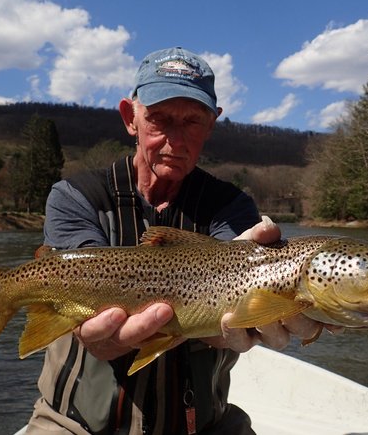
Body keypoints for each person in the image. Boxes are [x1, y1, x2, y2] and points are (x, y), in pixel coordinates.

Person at [26, 47, 325, 435]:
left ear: (212, 124)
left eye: (193, 122)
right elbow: (85, 275)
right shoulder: (75, 196)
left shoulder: (230, 206)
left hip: (206, 425)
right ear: (129, 118)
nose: (176, 140)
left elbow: (237, 280)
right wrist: (90, 325)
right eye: (160, 120)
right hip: (71, 425)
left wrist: (257, 310)